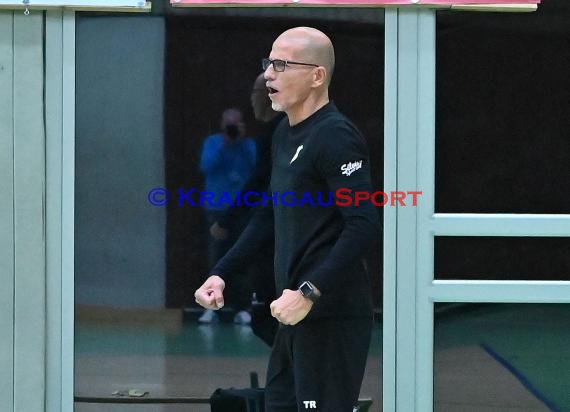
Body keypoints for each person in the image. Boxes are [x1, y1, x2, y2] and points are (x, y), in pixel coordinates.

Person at [195, 27, 380, 411]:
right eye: (268, 64)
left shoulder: (336, 137)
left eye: (281, 64)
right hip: (291, 314)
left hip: (329, 314)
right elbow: (268, 215)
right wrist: (222, 271)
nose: (268, 75)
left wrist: (309, 293)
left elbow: (363, 224)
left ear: (316, 76)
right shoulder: (283, 133)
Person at [212, 73, 284, 345]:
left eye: (259, 92)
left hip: (276, 219)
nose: (254, 99)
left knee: (267, 311)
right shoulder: (273, 129)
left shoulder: (277, 131)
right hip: (262, 215)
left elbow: (258, 179)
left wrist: (228, 219)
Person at [198, 108, 256, 324]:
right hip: (217, 209)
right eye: (228, 124)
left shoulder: (249, 145)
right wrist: (225, 143)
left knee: (242, 258)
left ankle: (243, 308)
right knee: (216, 257)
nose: (231, 128)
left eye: (236, 124)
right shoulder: (213, 143)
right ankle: (210, 307)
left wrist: (239, 143)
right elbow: (206, 166)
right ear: (222, 125)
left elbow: (257, 168)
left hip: (243, 210)